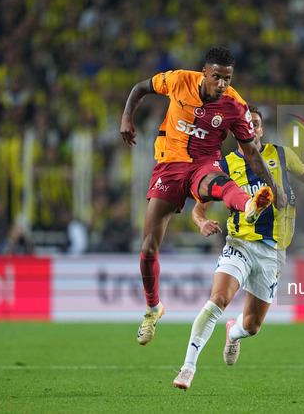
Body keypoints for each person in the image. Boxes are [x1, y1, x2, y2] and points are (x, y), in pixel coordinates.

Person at [120, 47, 287, 347]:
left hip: (203, 164)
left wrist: (272, 188)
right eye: (217, 78)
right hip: (169, 166)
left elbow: (251, 153)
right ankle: (152, 308)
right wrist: (126, 118)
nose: (222, 85)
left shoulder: (236, 106)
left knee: (221, 185)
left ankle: (249, 204)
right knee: (148, 248)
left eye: (227, 79)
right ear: (204, 72)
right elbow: (140, 88)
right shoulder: (178, 80)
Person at [173, 104, 304, 389]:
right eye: (245, 123)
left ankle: (233, 332)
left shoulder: (280, 154)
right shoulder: (225, 165)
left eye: (255, 122)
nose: (251, 127)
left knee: (252, 326)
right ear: (237, 130)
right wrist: (201, 222)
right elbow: (198, 207)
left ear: (260, 128)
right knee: (217, 300)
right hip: (240, 243)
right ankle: (187, 367)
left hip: (273, 251)